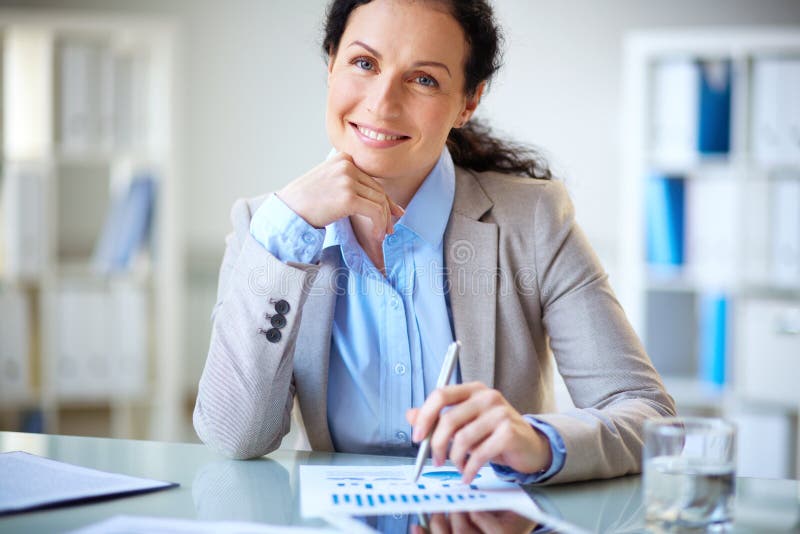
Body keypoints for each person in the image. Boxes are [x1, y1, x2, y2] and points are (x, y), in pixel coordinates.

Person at [194, 0, 675, 485]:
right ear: (331, 65)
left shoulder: (532, 220)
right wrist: (287, 232)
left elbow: (647, 414)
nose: (382, 103)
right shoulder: (266, 228)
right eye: (364, 63)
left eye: (423, 79)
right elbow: (235, 436)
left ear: (468, 102)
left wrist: (537, 440)